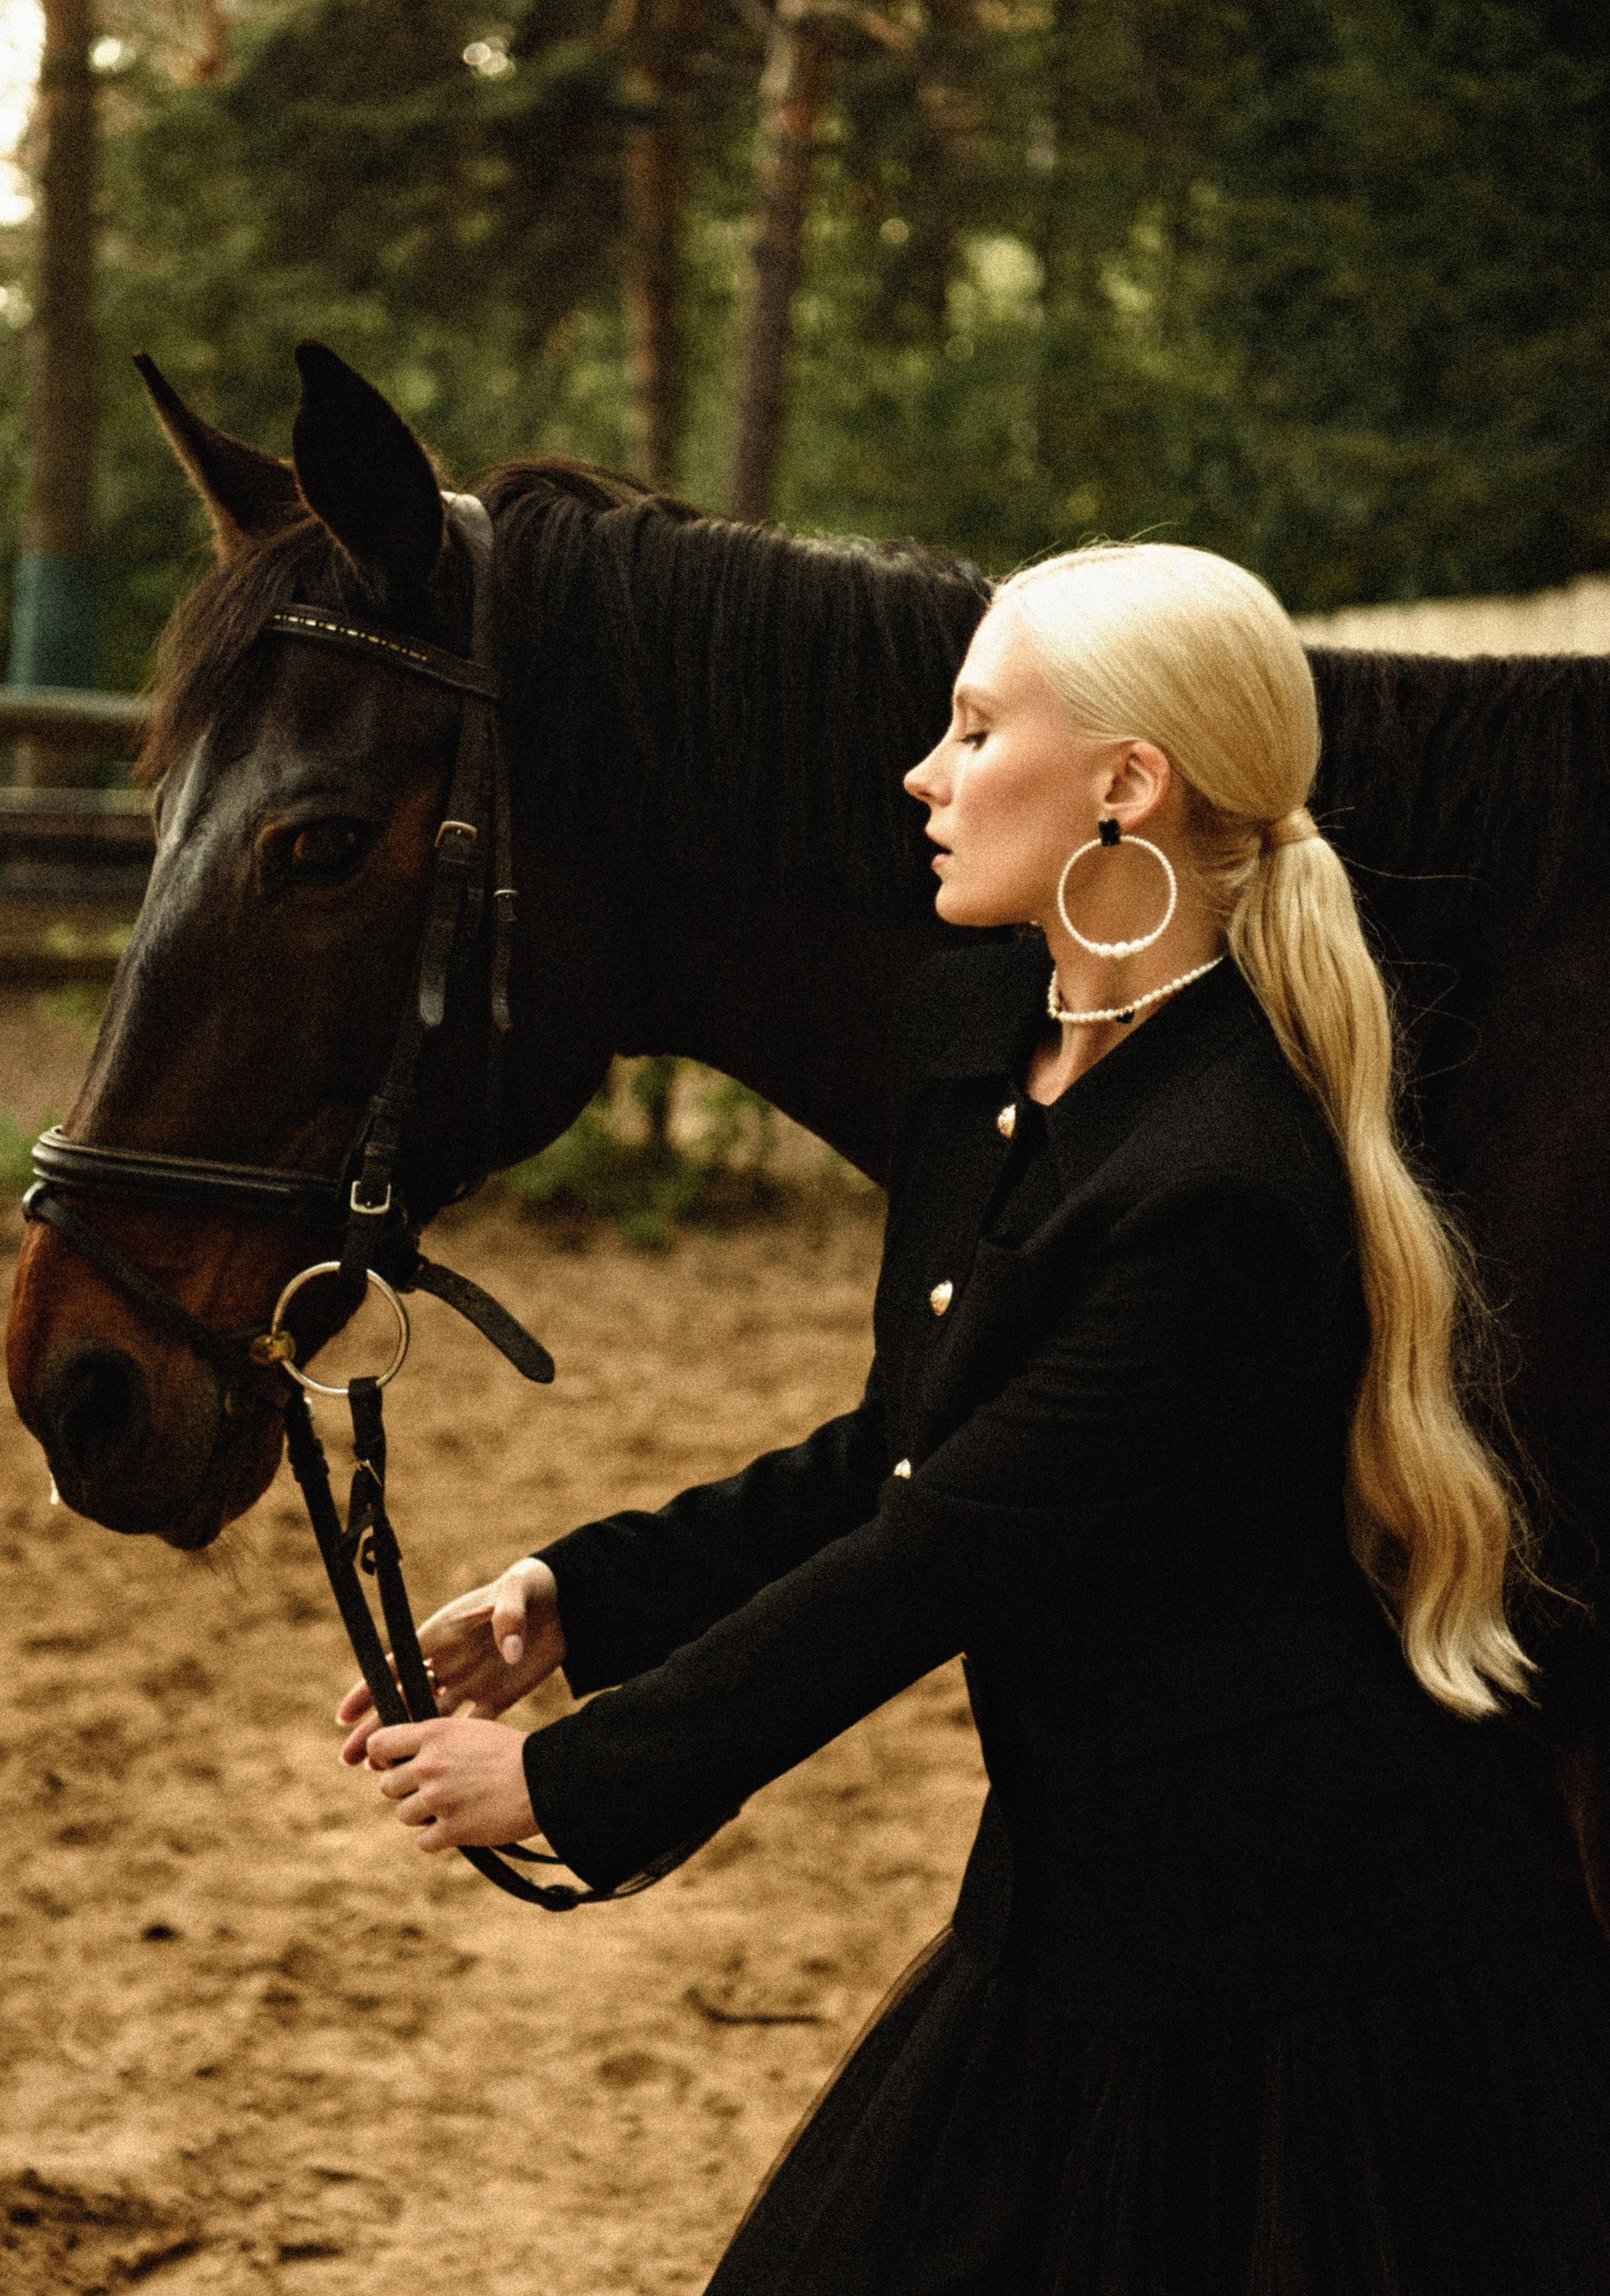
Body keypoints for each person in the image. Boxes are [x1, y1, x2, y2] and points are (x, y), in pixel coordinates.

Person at [338, 542, 1610, 2293]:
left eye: (974, 726)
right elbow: (903, 1442)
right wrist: (586, 1594)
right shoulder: (988, 1046)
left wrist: (570, 1771)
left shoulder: (1224, 1176)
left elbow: (947, 1550)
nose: (925, 778)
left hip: (1327, 1968)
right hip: (1085, 1915)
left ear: (1126, 786)